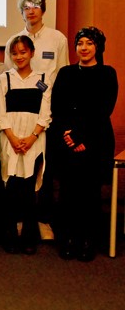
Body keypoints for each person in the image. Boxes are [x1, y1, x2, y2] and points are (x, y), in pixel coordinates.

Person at [4, 0, 68, 241]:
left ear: (43, 10)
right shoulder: (13, 40)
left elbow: (63, 74)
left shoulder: (57, 38)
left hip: (47, 111)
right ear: (21, 12)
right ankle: (20, 221)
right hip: (19, 112)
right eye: (26, 7)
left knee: (45, 167)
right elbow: (10, 77)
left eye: (35, 6)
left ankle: (42, 220)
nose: (31, 11)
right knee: (18, 170)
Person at [51, 27, 118, 261]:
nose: (84, 48)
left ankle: (88, 241)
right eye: (80, 43)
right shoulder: (66, 73)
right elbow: (57, 107)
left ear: (98, 47)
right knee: (68, 193)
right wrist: (69, 136)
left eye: (89, 43)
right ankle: (68, 239)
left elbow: (103, 109)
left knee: (90, 194)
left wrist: (81, 137)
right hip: (67, 141)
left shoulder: (107, 74)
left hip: (95, 142)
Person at [0, 35, 52, 255]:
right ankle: (9, 234)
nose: (19, 57)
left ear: (32, 53)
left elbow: (45, 113)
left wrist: (32, 137)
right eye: (14, 53)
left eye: (23, 52)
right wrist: (12, 137)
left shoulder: (42, 79)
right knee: (11, 187)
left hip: (34, 140)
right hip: (10, 140)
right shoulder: (4, 79)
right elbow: (1, 113)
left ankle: (29, 236)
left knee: (29, 189)